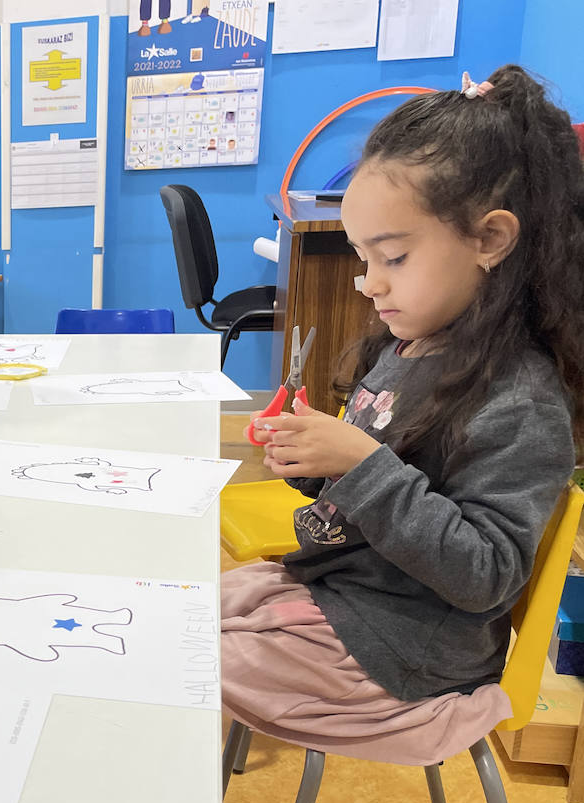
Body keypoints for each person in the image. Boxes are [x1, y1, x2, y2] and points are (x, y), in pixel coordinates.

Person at [226, 65, 584, 764]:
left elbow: (485, 572)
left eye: (392, 256)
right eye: (363, 258)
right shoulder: (413, 345)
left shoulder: (523, 404)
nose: (368, 282)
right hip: (346, 594)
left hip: (405, 652)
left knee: (177, 667)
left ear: (490, 239)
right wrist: (312, 461)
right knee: (169, 616)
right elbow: (379, 481)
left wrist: (359, 463)